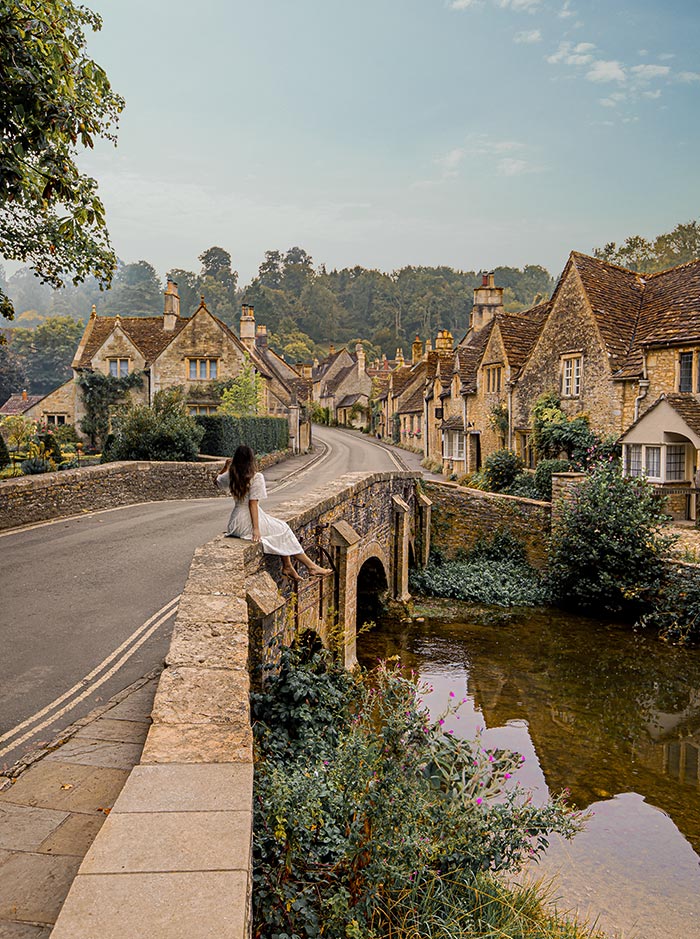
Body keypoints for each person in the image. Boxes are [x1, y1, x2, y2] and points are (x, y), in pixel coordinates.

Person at [215, 445, 332, 581]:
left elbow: (216, 482)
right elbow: (252, 504)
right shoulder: (255, 477)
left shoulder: (231, 475)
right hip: (247, 521)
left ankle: (288, 565)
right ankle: (310, 566)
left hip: (235, 522)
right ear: (251, 460)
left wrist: (225, 467)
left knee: (279, 527)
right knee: (282, 529)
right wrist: (256, 529)